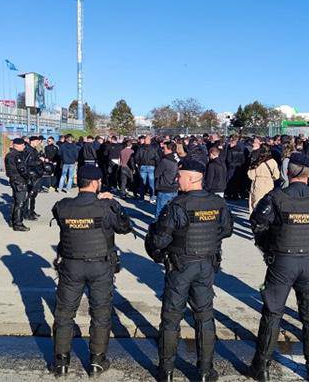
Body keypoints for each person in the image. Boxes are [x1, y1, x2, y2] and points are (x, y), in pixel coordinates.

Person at [247, 153, 309, 382]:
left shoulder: (276, 196)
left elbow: (257, 224)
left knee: (272, 313)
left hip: (282, 261)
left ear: (287, 173)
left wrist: (268, 247)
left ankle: (261, 366)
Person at [145, 158, 233, 381]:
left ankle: (166, 371)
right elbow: (226, 230)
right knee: (204, 317)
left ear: (194, 178)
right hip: (206, 264)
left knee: (171, 318)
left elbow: (160, 240)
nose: (176, 179)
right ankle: (205, 371)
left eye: (180, 175)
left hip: (181, 266)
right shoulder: (217, 203)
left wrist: (153, 240)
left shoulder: (177, 205)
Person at [49, 164, 133, 377]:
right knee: (101, 313)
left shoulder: (63, 206)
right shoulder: (104, 207)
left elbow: (61, 221)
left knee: (64, 314)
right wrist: (112, 203)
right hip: (100, 266)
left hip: (71, 266)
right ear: (97, 183)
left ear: (78, 181)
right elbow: (125, 227)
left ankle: (61, 363)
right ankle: (97, 361)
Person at [5, 138, 31, 231]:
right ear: (17, 145)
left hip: (13, 179)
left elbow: (8, 171)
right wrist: (28, 177)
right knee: (20, 202)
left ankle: (13, 221)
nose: (24, 146)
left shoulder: (8, 155)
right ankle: (18, 223)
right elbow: (22, 169)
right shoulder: (17, 155)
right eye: (23, 145)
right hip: (19, 180)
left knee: (15, 201)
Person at [247, 145, 280, 213]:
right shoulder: (273, 161)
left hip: (258, 183)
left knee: (256, 202)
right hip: (269, 183)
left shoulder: (256, 161)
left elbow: (251, 175)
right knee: (267, 202)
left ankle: (255, 219)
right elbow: (276, 176)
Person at [154, 141, 179, 220]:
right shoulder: (177, 159)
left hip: (164, 188)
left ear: (169, 149)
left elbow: (156, 173)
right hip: (174, 188)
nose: (162, 150)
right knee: (172, 212)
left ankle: (157, 229)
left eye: (164, 148)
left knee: (160, 212)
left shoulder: (165, 161)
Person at [23, 136, 45, 220]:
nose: (38, 143)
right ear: (32, 141)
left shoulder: (33, 149)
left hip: (36, 174)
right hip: (31, 175)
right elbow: (28, 163)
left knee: (33, 194)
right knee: (30, 194)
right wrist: (40, 160)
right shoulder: (28, 150)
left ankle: (32, 211)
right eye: (36, 141)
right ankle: (27, 213)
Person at [135, 136, 161, 203]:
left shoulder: (140, 148)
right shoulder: (153, 149)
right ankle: (151, 198)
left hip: (143, 166)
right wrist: (156, 165)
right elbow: (157, 158)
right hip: (151, 166)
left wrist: (139, 164)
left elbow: (136, 157)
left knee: (142, 183)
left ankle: (141, 198)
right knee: (151, 183)